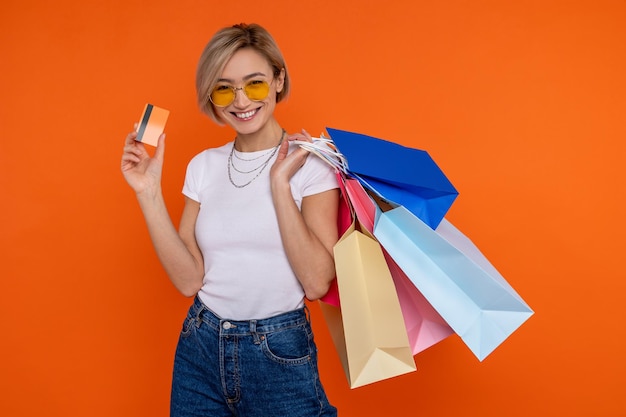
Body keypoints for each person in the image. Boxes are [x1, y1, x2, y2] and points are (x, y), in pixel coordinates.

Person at [121, 23, 339, 417]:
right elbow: (189, 280)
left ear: (278, 80)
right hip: (201, 344)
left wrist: (278, 183)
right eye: (224, 88)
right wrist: (148, 193)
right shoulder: (203, 166)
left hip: (279, 349)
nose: (241, 101)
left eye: (254, 83)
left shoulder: (312, 163)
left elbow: (316, 281)